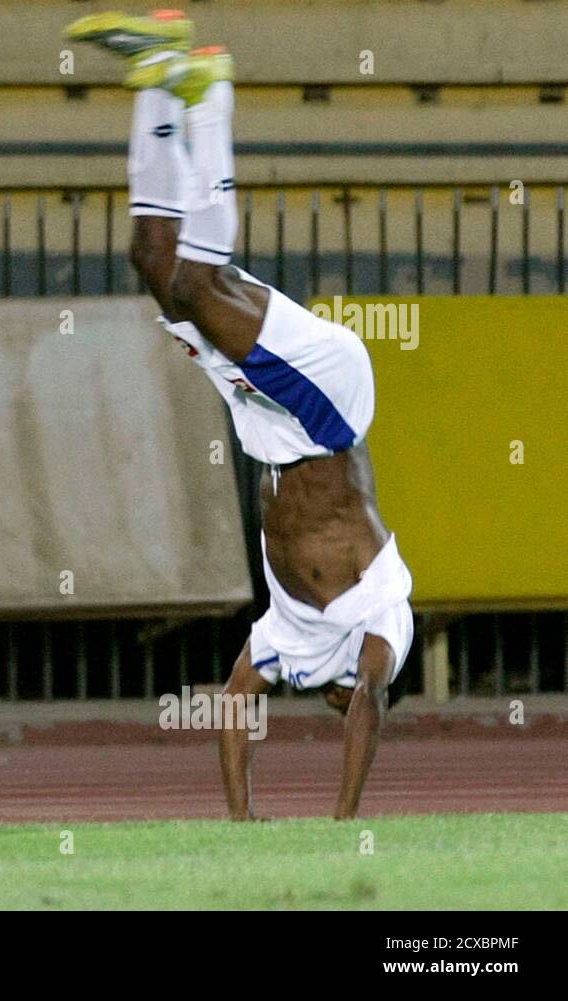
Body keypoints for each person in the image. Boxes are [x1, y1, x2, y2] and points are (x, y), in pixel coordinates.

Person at [66, 11, 414, 820]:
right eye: (339, 708)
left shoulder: (289, 643)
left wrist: (243, 823)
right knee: (194, 284)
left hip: (266, 414)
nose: (333, 709)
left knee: (156, 266)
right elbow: (369, 704)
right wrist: (342, 824)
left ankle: (161, 83)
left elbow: (233, 705)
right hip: (327, 409)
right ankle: (211, 93)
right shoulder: (380, 624)